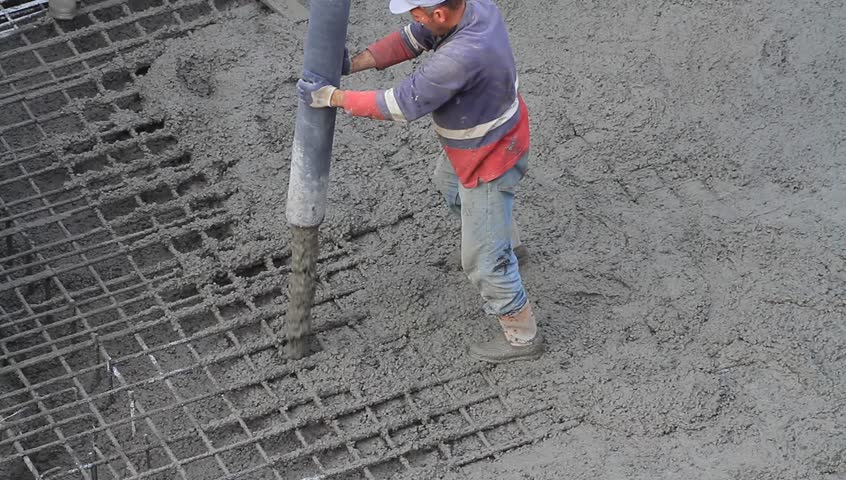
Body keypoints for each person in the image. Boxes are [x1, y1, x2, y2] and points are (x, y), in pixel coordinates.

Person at [297, 0, 544, 363]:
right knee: (446, 183)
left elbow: (399, 104)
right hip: (492, 133)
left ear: (439, 13)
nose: (415, 20)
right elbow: (411, 39)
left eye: (417, 12)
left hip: (490, 157)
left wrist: (332, 97)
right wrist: (352, 63)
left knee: (484, 260)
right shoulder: (473, 8)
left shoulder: (459, 56)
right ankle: (510, 247)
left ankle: (522, 336)